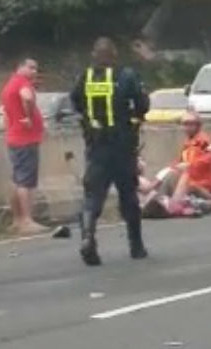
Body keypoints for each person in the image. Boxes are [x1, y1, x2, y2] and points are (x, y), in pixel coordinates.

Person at [70, 37, 150, 266]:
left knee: (92, 197)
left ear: (94, 55)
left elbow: (74, 102)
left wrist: (89, 120)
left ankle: (87, 237)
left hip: (96, 147)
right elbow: (143, 104)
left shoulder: (84, 78)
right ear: (114, 55)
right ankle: (136, 247)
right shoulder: (126, 75)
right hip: (123, 146)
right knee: (128, 195)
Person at [1, 58, 47, 235]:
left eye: (36, 68)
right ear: (20, 67)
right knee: (26, 181)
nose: (34, 71)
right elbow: (27, 96)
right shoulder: (23, 83)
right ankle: (27, 220)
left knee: (17, 179)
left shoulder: (9, 84)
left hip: (14, 137)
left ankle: (17, 219)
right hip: (26, 138)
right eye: (31, 67)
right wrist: (28, 116)